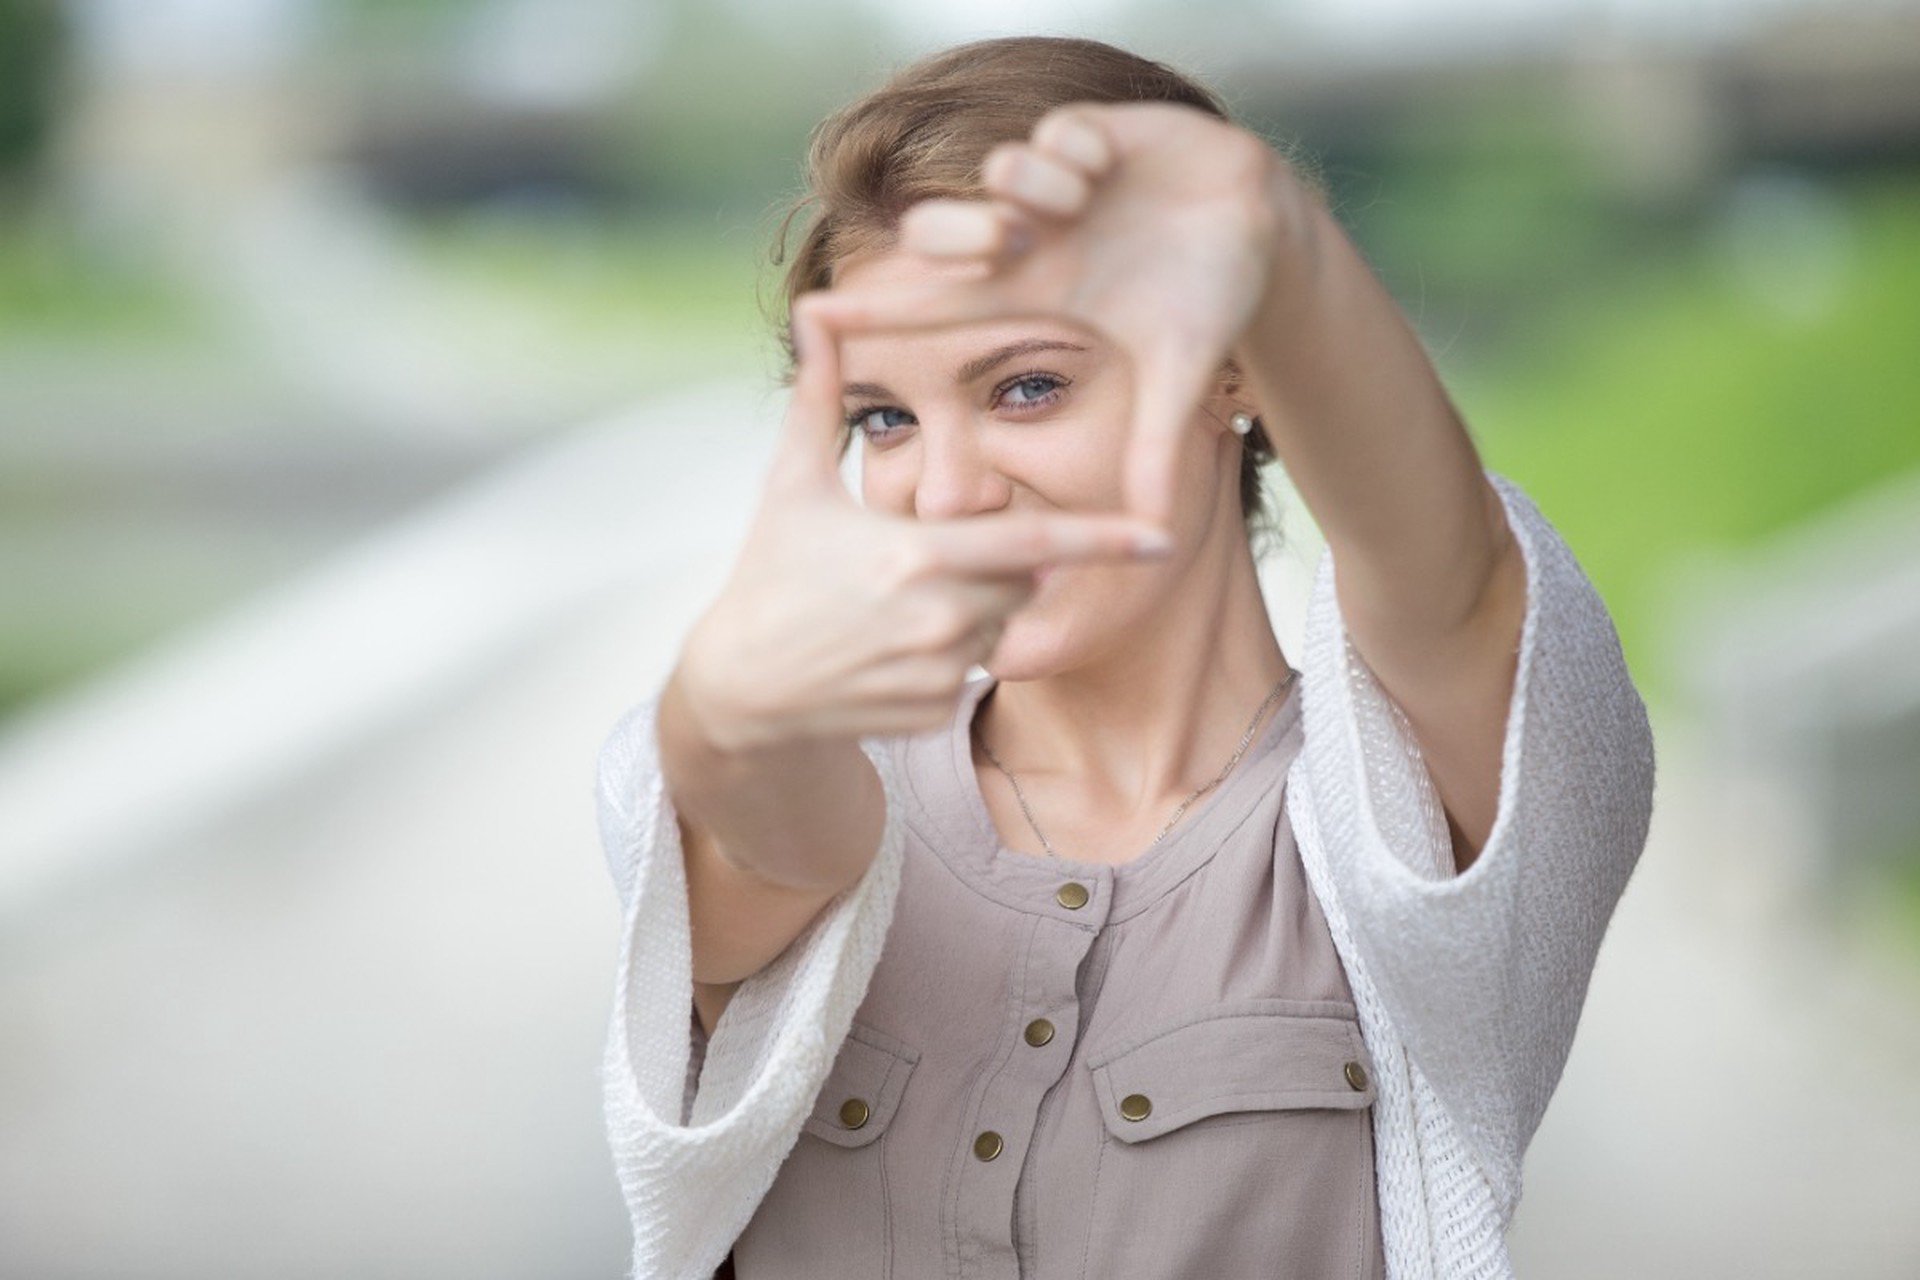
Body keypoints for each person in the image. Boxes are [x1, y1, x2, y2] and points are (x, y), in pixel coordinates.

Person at [596, 35, 1655, 1280]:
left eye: (1027, 386)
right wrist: (722, 708)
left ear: (1233, 372)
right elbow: (778, 829)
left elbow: (1457, 580)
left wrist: (1276, 239)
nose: (945, 492)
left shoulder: (1406, 817)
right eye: (884, 416)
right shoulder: (825, 779)